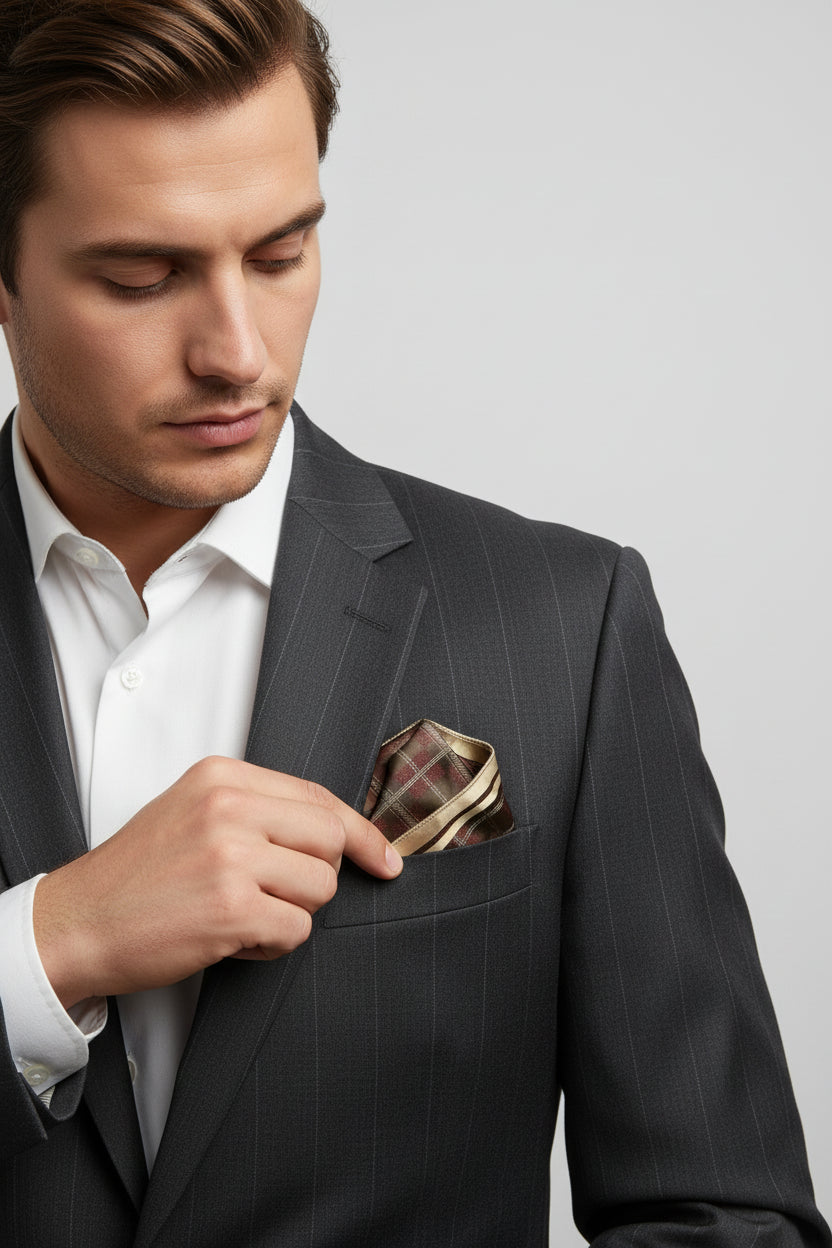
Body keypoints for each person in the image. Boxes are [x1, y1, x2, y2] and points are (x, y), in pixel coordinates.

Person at [0, 1, 827, 1244]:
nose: (237, 352)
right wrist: (43, 950)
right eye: (143, 275)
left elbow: (722, 1216)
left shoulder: (567, 627)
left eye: (281, 254)